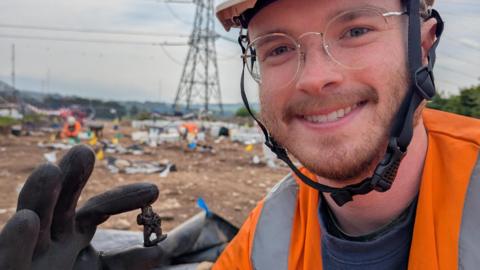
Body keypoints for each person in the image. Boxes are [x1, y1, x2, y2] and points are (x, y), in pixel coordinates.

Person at [0, 0, 479, 270]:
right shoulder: (270, 230)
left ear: (423, 44)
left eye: (355, 30)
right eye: (276, 49)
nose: (314, 77)